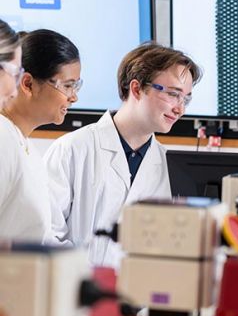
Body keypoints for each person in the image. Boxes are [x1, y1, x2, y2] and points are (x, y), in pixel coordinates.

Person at [45, 42, 202, 267]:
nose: (180, 109)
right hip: (76, 292)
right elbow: (47, 234)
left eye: (185, 99)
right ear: (136, 88)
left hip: (141, 295)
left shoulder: (169, 165)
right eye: (173, 94)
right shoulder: (72, 149)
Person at [0, 28, 81, 243]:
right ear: (27, 84)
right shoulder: (3, 138)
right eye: (67, 86)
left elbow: (40, 237)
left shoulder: (25, 147)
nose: (74, 98)